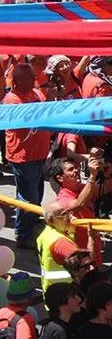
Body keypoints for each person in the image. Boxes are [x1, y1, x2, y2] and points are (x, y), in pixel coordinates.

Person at [4, 63, 52, 248]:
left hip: (39, 153)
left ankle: (31, 223)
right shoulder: (12, 100)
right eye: (30, 77)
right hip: (23, 156)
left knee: (36, 193)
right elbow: (28, 119)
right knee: (27, 197)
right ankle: (23, 235)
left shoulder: (36, 93)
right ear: (17, 81)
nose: (35, 79)